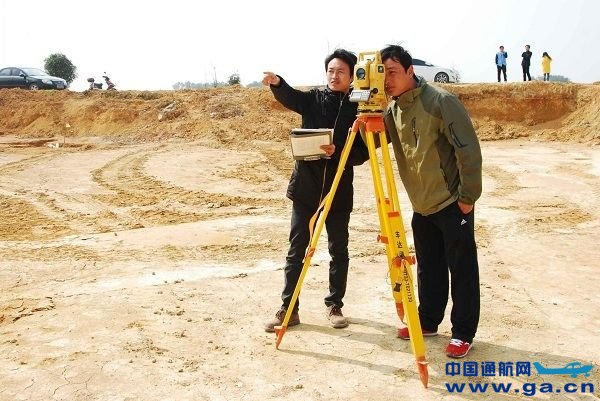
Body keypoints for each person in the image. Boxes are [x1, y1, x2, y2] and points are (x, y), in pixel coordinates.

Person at [380, 44, 482, 358]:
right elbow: (373, 146)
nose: (387, 80)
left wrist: (467, 197)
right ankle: (427, 320)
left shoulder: (441, 101)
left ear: (410, 70)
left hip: (451, 202)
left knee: (462, 270)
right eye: (383, 73)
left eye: (393, 72)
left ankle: (463, 333)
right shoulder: (392, 110)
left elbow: (468, 150)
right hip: (421, 206)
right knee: (429, 267)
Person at [262, 49, 369, 332]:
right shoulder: (313, 99)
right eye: (331, 71)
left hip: (338, 191)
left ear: (352, 76)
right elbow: (291, 97)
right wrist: (277, 83)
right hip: (306, 189)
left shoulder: (359, 108)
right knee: (296, 250)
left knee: (338, 250)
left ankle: (335, 305)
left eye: (341, 71)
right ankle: (289, 309)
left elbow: (365, 151)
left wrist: (339, 151)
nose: (334, 76)